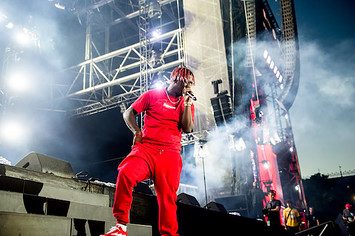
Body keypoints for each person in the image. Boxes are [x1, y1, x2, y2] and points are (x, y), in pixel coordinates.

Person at [101, 66, 195, 236]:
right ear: (175, 79)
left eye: (191, 84)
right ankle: (121, 227)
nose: (189, 87)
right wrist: (137, 132)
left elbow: (188, 129)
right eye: (187, 83)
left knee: (168, 198)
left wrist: (187, 104)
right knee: (126, 173)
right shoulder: (153, 95)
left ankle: (169, 234)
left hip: (170, 153)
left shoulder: (185, 102)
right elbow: (128, 113)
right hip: (147, 149)